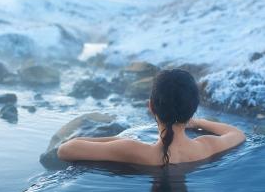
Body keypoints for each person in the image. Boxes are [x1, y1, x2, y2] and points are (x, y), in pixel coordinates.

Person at [57, 68, 246, 166]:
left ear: (151, 106)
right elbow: (237, 134)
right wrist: (195, 122)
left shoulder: (132, 149)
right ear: (193, 109)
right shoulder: (206, 146)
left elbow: (65, 149)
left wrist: (116, 139)